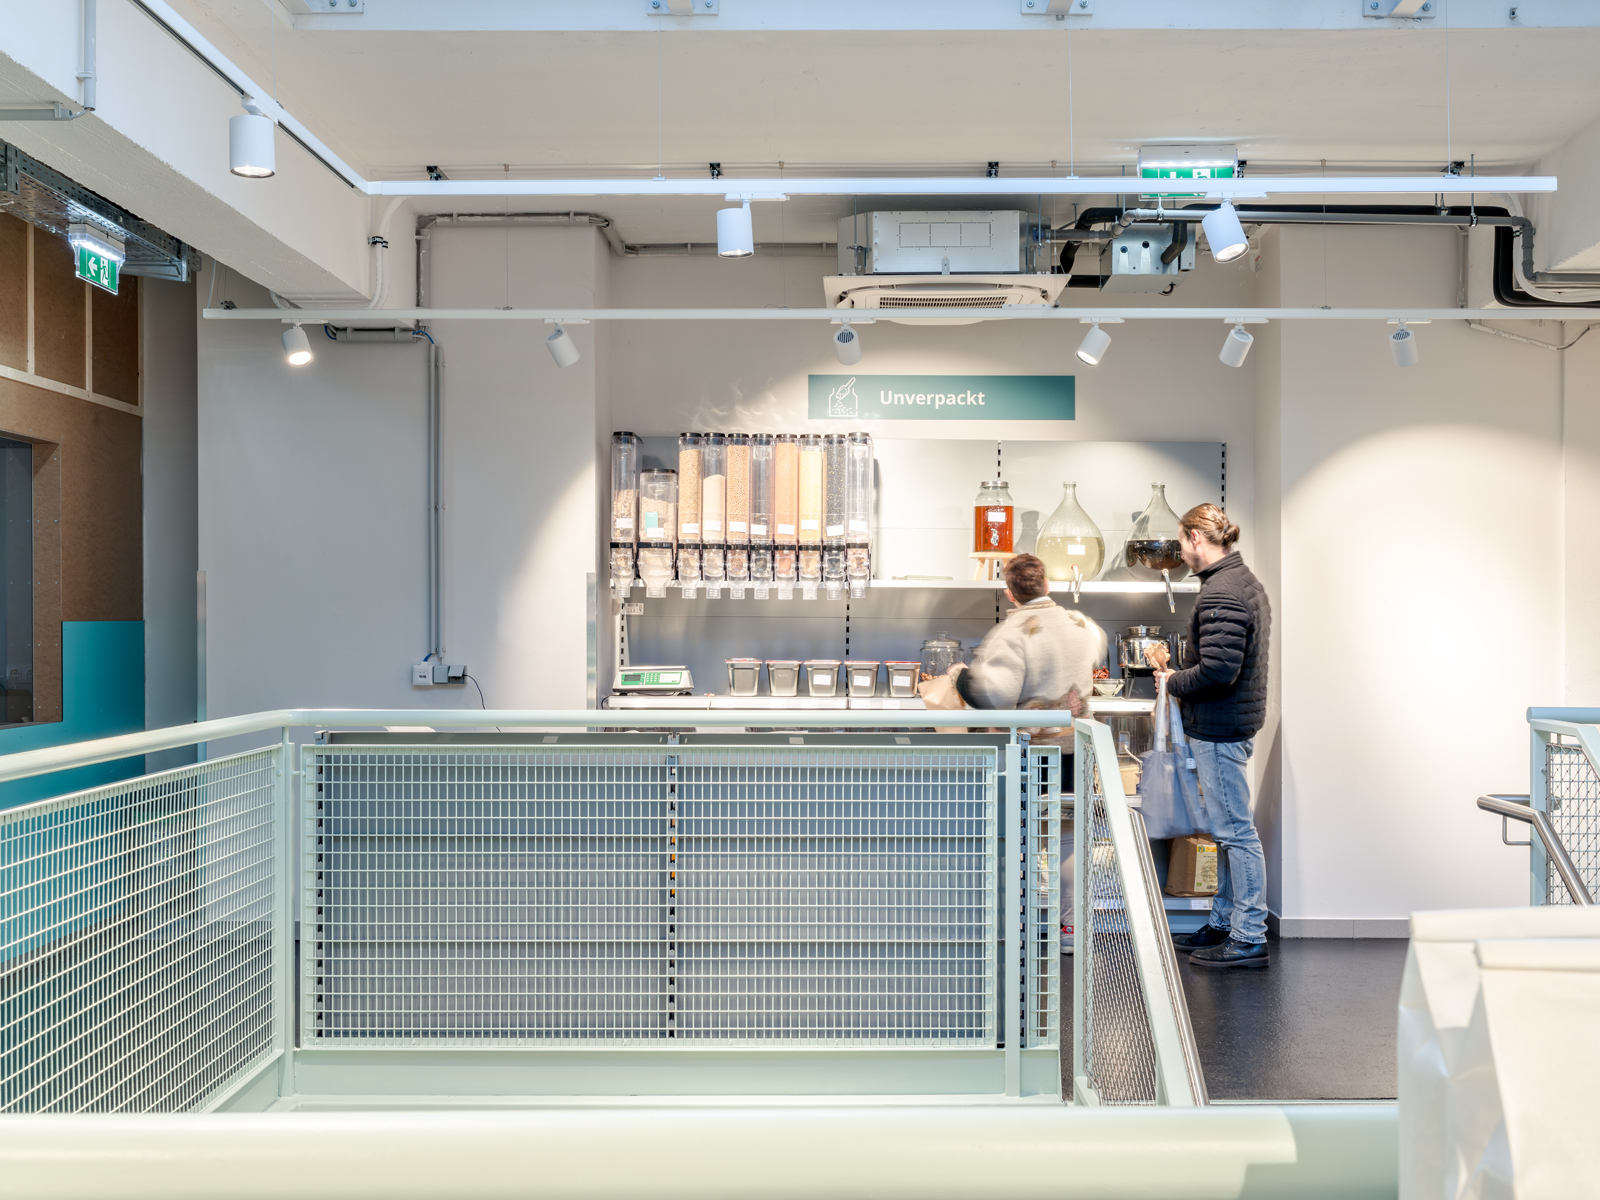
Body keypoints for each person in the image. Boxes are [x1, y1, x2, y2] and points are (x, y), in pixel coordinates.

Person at [1148, 504, 1272, 969]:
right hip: (1230, 723)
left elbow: (1220, 670)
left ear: (1196, 538)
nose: (1179, 551)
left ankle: (1248, 935)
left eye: (1181, 541)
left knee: (1236, 833)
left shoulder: (1222, 592)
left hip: (1220, 729)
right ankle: (1223, 922)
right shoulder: (1240, 581)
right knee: (1226, 832)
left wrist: (1173, 681)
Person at [946, 553, 1106, 745]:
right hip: (1081, 746)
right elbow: (1098, 646)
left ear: (1010, 594)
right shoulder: (1080, 622)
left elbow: (996, 697)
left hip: (1038, 753)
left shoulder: (1011, 632)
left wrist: (960, 676)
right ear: (1046, 585)